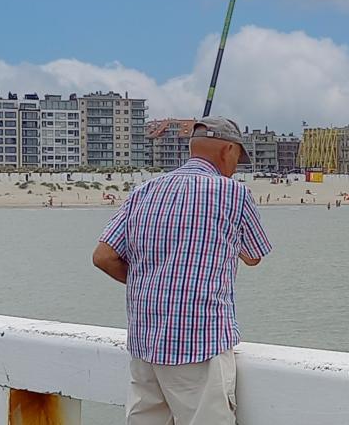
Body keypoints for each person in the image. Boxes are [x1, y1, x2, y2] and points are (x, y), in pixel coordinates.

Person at [92, 116, 272, 425]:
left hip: (145, 344)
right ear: (228, 149)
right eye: (238, 159)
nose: (236, 166)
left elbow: (103, 256)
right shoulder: (233, 194)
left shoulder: (144, 192)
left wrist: (148, 279)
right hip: (200, 343)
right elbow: (254, 255)